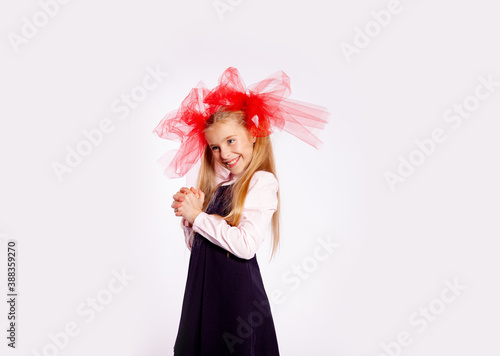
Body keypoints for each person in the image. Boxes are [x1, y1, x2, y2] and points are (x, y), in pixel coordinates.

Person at [153, 67, 329, 355]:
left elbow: (245, 246)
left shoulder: (261, 181)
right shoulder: (222, 186)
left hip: (233, 296)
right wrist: (190, 218)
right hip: (204, 290)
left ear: (253, 136)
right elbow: (202, 248)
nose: (224, 154)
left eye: (231, 141)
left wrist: (199, 216)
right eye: (215, 147)